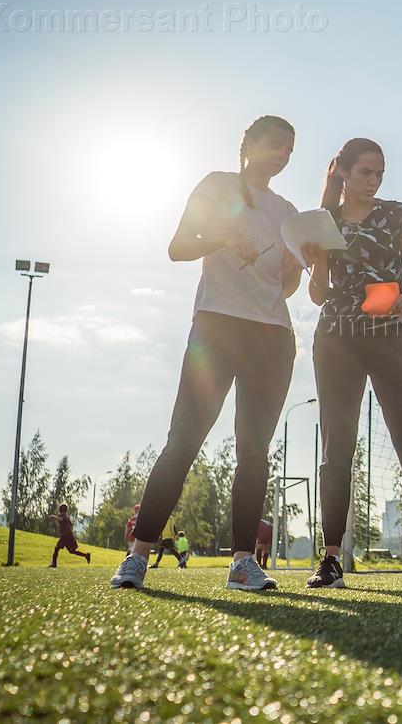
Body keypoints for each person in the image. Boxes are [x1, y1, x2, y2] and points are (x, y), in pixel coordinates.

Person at [111, 115, 302, 592]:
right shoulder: (215, 186)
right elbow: (178, 247)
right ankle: (137, 556)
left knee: (254, 452)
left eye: (290, 150)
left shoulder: (288, 211)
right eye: (275, 145)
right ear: (250, 144)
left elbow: (287, 286)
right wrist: (221, 237)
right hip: (216, 327)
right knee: (184, 440)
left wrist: (301, 262)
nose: (282, 155)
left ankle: (241, 563)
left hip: (272, 336)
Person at [302, 138, 402, 589]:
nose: (373, 181)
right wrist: (316, 264)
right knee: (338, 450)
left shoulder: (398, 214)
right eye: (366, 172)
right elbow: (317, 295)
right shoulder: (324, 222)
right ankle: (330, 559)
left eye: (380, 173)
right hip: (336, 341)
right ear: (345, 173)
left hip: (391, 338)